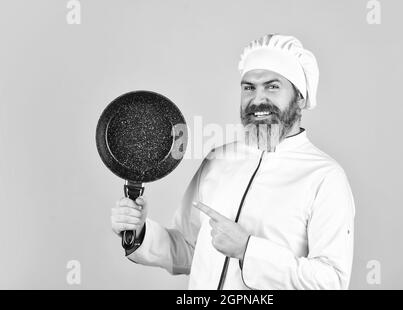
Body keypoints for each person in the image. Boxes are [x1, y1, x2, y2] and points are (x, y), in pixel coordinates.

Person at [111, 34, 356, 290]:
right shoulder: (218, 159)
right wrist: (140, 232)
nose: (258, 99)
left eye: (273, 87)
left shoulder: (325, 177)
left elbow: (332, 281)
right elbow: (190, 249)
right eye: (249, 87)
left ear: (301, 98)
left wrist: (248, 250)